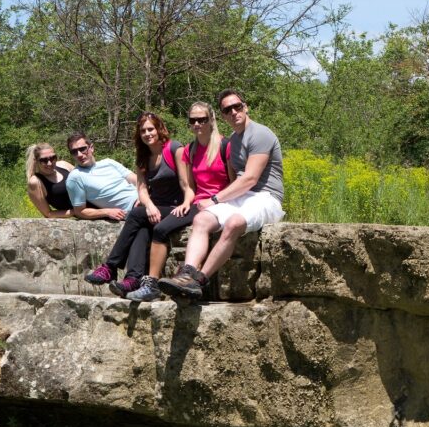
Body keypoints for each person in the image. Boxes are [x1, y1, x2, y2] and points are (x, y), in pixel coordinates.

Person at [158, 89, 284, 300]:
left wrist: (215, 199)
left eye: (237, 106)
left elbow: (250, 179)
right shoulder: (234, 139)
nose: (234, 112)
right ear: (223, 116)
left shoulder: (260, 134)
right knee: (201, 218)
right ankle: (187, 272)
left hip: (267, 197)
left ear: (246, 107)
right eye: (228, 109)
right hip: (243, 197)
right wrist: (214, 204)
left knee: (234, 222)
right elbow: (235, 179)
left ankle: (199, 280)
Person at [124, 102, 234, 302]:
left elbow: (235, 183)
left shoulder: (226, 146)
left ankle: (156, 283)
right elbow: (189, 186)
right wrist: (186, 203)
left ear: (211, 120)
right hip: (197, 204)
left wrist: (215, 200)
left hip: (221, 204)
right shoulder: (190, 150)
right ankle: (148, 283)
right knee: (154, 226)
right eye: (193, 120)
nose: (198, 124)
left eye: (202, 119)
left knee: (159, 229)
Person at [84, 113, 193, 296]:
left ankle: (110, 266)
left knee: (135, 215)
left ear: (159, 129)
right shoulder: (143, 156)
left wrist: (186, 203)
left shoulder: (174, 148)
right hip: (157, 207)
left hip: (178, 207)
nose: (147, 133)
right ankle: (132, 280)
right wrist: (149, 205)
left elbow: (187, 184)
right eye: (143, 131)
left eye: (151, 129)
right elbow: (141, 189)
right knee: (142, 228)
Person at [65, 132, 139, 220]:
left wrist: (144, 197)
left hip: (144, 198)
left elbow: (136, 180)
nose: (79, 155)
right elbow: (79, 211)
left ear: (91, 148)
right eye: (74, 152)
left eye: (82, 149)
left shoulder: (109, 163)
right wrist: (107, 212)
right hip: (133, 209)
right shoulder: (75, 177)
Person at [25, 143, 78, 218]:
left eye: (53, 158)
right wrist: (77, 211)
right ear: (36, 161)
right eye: (44, 160)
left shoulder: (64, 165)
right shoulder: (35, 182)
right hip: (88, 212)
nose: (49, 163)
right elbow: (48, 214)